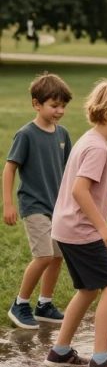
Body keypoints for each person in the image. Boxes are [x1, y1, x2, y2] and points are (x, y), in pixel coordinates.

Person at [44, 80, 107, 367]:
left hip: (66, 228)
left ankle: (60, 352)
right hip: (81, 229)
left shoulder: (92, 141)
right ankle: (101, 360)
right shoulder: (97, 148)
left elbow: (96, 190)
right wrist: (102, 227)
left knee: (87, 289)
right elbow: (80, 190)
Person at [3, 72, 73, 329]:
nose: (60, 111)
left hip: (57, 207)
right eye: (54, 105)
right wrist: (8, 204)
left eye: (63, 106)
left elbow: (69, 172)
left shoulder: (63, 134)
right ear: (36, 104)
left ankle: (44, 304)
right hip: (34, 206)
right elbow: (9, 169)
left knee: (57, 256)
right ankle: (20, 303)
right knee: (43, 256)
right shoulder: (26, 134)